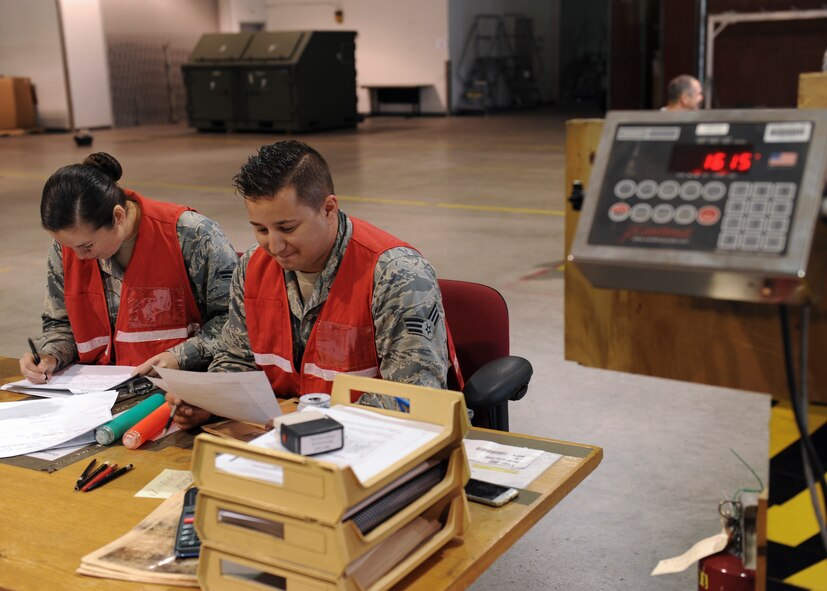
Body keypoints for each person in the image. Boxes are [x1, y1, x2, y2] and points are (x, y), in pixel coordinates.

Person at [168, 140, 463, 429]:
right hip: (284, 436)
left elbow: (414, 398)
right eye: (260, 229)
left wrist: (312, 424)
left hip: (380, 442)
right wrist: (210, 399)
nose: (274, 245)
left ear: (328, 209)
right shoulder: (253, 268)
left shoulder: (397, 275)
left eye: (287, 228)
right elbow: (237, 357)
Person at [19, 152, 239, 383]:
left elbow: (236, 321)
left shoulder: (191, 235)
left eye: (87, 245)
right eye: (68, 246)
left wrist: (181, 356)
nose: (78, 257)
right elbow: (60, 324)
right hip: (96, 394)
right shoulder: (68, 247)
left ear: (117, 215)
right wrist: (50, 355)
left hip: (180, 390)